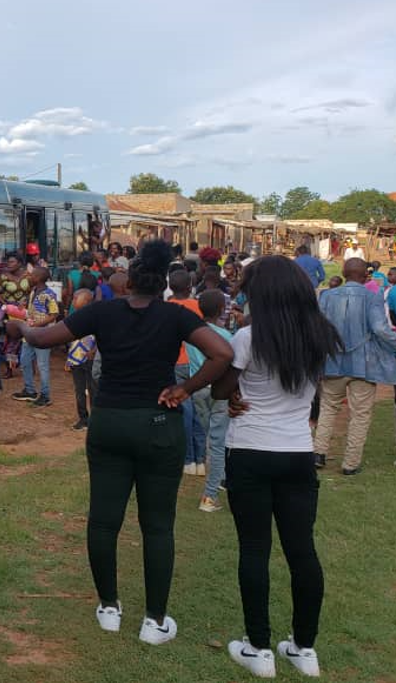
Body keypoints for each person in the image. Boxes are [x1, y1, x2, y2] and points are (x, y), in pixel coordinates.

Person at [5, 238, 233, 645]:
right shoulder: (176, 316)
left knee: (103, 520)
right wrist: (185, 389)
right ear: (164, 283)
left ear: (128, 282)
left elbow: (41, 339)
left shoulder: (102, 311)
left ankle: (109, 608)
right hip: (159, 424)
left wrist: (19, 325)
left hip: (109, 422)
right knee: (158, 526)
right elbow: (222, 353)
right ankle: (155, 621)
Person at [212, 256, 342, 679]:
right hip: (297, 452)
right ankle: (304, 649)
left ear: (261, 293)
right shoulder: (319, 334)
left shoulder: (248, 338)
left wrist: (234, 394)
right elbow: (307, 390)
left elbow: (221, 389)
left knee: (254, 549)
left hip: (250, 449)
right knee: (302, 550)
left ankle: (258, 648)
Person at [312, 257, 396, 474]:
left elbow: (318, 329)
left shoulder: (327, 296)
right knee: (360, 414)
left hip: (333, 362)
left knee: (328, 408)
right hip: (364, 364)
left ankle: (318, 454)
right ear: (366, 276)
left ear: (343, 273)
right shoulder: (372, 296)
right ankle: (350, 464)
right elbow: (380, 329)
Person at [189, 290, 234, 513]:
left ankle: (220, 477)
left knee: (210, 438)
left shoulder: (193, 334)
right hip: (219, 391)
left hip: (197, 390)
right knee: (217, 443)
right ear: (221, 310)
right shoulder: (226, 336)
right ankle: (210, 495)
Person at [167, 270, 206, 476]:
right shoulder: (198, 306)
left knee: (186, 412)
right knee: (197, 412)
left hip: (176, 362)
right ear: (190, 286)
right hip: (197, 362)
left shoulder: (166, 308)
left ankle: (189, 459)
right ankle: (200, 459)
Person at [13, 267, 58, 407]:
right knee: (25, 360)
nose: (29, 277)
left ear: (38, 278)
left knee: (42, 365)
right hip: (30, 333)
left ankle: (45, 395)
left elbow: (54, 314)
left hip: (43, 334)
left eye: (32, 275)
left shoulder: (49, 294)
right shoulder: (34, 291)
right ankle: (29, 390)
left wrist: (37, 324)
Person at [66, 288, 98, 430]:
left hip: (90, 359)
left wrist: (94, 350)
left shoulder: (96, 317)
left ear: (86, 301)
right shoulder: (74, 316)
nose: (73, 301)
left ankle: (95, 420)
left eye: (75, 298)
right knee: (79, 390)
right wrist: (69, 359)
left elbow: (102, 336)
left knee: (93, 390)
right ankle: (83, 419)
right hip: (76, 358)